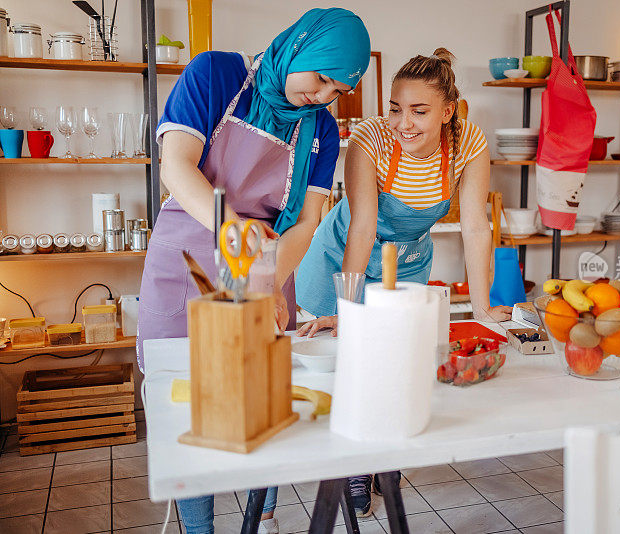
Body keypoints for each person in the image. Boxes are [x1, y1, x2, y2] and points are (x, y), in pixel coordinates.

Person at [136, 8, 370, 533]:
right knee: (192, 403)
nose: (324, 94)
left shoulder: (322, 131)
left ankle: (260, 521)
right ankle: (200, 528)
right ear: (300, 48)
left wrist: (264, 278)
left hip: (265, 260)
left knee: (254, 396)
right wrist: (230, 229)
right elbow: (176, 166)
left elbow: (307, 222)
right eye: (321, 77)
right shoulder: (215, 74)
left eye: (337, 88)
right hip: (188, 256)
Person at [295, 48, 512, 516]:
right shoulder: (370, 139)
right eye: (395, 108)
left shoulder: (468, 143)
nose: (403, 122)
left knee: (394, 365)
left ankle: (383, 460)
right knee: (346, 363)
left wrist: (481, 309)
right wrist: (349, 311)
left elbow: (476, 227)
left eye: (418, 111)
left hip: (406, 262)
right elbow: (362, 229)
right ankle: (353, 468)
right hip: (341, 257)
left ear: (447, 111)